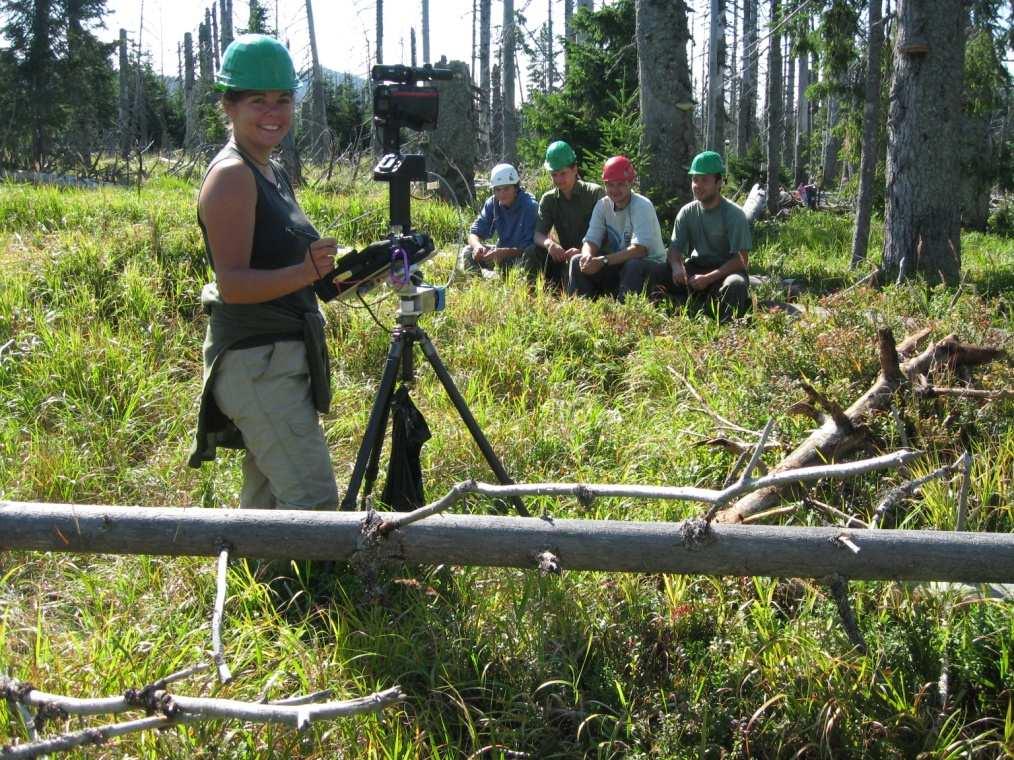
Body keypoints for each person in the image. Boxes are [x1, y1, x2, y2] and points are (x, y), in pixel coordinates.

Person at [188, 34, 340, 512]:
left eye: (283, 100)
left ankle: (263, 581)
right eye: (259, 100)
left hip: (277, 358)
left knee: (268, 502)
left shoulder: (268, 169)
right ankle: (318, 587)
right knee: (314, 503)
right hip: (257, 362)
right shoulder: (232, 175)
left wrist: (350, 269)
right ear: (229, 106)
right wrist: (304, 272)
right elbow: (232, 283)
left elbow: (281, 259)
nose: (274, 112)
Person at [664, 150, 751, 319]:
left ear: (719, 182)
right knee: (658, 272)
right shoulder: (687, 212)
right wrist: (676, 266)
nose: (698, 185)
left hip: (725, 271)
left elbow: (742, 260)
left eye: (704, 180)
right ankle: (685, 307)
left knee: (735, 285)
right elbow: (674, 249)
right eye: (695, 179)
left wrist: (709, 278)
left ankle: (723, 322)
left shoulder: (734, 214)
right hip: (696, 268)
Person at [569, 156, 668, 302]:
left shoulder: (642, 206)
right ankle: (581, 308)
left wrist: (602, 261)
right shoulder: (602, 206)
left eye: (620, 184)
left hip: (652, 267)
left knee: (633, 265)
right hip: (619, 264)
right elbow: (591, 240)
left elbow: (640, 250)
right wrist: (587, 256)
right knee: (577, 261)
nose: (614, 190)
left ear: (630, 183)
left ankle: (625, 312)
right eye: (610, 185)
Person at [526, 140, 604, 289]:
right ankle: (533, 295)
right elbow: (538, 234)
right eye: (554, 175)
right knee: (533, 252)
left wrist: (584, 250)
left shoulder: (594, 193)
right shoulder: (548, 199)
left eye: (563, 173)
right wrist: (550, 244)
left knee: (578, 261)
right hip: (564, 256)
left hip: (594, 256)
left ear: (575, 169)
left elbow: (606, 234)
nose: (559, 180)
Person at [457, 163, 538, 277]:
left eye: (506, 189)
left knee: (530, 255)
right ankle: (481, 285)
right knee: (468, 251)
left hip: (522, 257)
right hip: (500, 254)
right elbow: (474, 233)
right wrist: (477, 246)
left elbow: (529, 247)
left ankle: (516, 284)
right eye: (498, 189)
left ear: (516, 188)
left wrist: (503, 252)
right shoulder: (492, 203)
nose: (502, 194)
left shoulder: (530, 206)